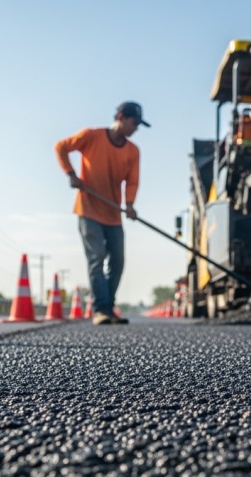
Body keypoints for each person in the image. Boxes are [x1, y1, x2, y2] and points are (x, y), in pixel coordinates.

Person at [55, 102, 150, 325]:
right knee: (96, 259)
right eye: (133, 122)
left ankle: (108, 306)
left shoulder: (133, 151)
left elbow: (133, 181)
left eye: (138, 125)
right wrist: (71, 174)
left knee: (117, 261)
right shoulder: (91, 136)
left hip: (114, 214)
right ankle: (101, 309)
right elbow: (60, 147)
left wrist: (129, 204)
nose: (135, 128)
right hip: (88, 210)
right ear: (120, 117)